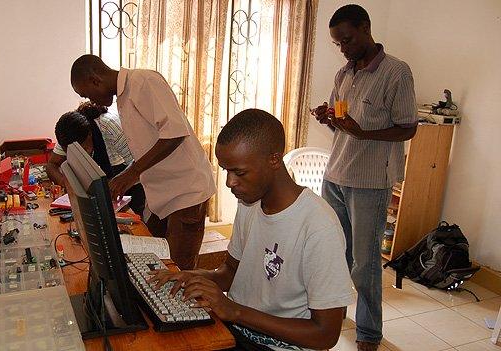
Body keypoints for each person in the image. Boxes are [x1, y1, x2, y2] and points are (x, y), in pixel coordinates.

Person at [149, 109, 354, 351]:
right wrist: (192, 277)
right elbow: (231, 272)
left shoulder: (319, 227)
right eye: (226, 170)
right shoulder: (249, 203)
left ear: (274, 160)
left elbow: (325, 335)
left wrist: (234, 311)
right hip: (236, 331)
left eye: (239, 172)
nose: (229, 182)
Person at [312, 5, 417, 351]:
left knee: (365, 262)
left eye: (347, 39)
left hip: (370, 182)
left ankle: (369, 334)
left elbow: (408, 128)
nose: (343, 48)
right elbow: (339, 118)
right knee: (334, 253)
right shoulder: (344, 73)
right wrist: (326, 118)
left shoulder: (397, 73)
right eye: (338, 43)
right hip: (336, 174)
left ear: (366, 28)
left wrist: (364, 133)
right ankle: (334, 313)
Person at [70, 55, 216, 270]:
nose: (90, 101)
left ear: (95, 80)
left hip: (186, 193)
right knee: (150, 261)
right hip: (163, 195)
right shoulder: (122, 98)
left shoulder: (143, 82)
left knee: (177, 271)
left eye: (86, 94)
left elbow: (174, 133)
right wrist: (126, 177)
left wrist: (132, 173)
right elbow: (148, 149)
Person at [48, 106, 146, 216]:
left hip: (135, 181)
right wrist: (65, 183)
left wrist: (120, 181)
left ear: (90, 135)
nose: (80, 156)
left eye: (83, 149)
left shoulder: (110, 127)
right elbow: (52, 165)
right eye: (71, 153)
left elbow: (140, 164)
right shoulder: (68, 133)